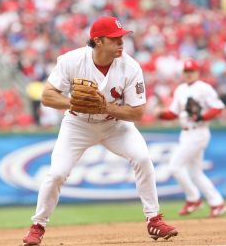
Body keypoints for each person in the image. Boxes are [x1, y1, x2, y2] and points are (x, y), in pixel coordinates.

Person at [22, 16, 178, 246]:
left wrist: (105, 107)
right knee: (56, 174)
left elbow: (137, 113)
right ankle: (38, 226)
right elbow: (47, 96)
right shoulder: (72, 60)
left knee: (143, 158)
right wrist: (73, 103)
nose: (121, 42)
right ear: (98, 41)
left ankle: (153, 219)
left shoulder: (130, 66)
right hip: (77, 124)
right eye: (115, 39)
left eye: (122, 38)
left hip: (115, 125)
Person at [155, 58, 226, 218]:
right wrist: (161, 114)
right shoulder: (180, 89)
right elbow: (173, 113)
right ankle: (217, 203)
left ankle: (193, 198)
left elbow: (218, 107)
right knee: (195, 172)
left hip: (198, 132)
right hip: (186, 132)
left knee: (175, 166)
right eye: (186, 72)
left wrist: (202, 116)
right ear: (183, 73)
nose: (189, 74)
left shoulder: (204, 88)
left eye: (192, 71)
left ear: (197, 72)